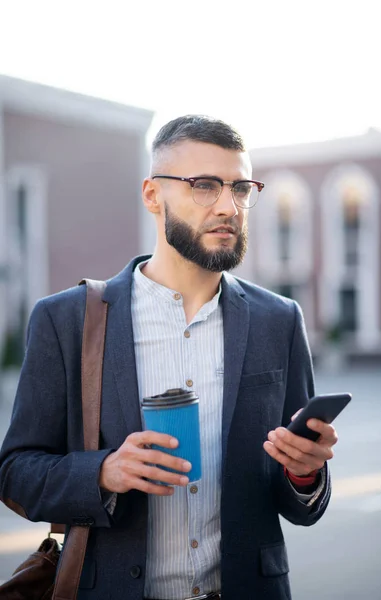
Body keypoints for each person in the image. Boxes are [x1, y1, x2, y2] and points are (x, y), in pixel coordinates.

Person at [0, 115, 338, 600]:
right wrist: (103, 472)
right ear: (152, 195)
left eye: (241, 188)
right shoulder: (65, 320)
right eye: (205, 186)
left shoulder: (278, 319)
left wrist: (304, 471)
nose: (229, 206)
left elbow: (300, 504)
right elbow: (15, 473)